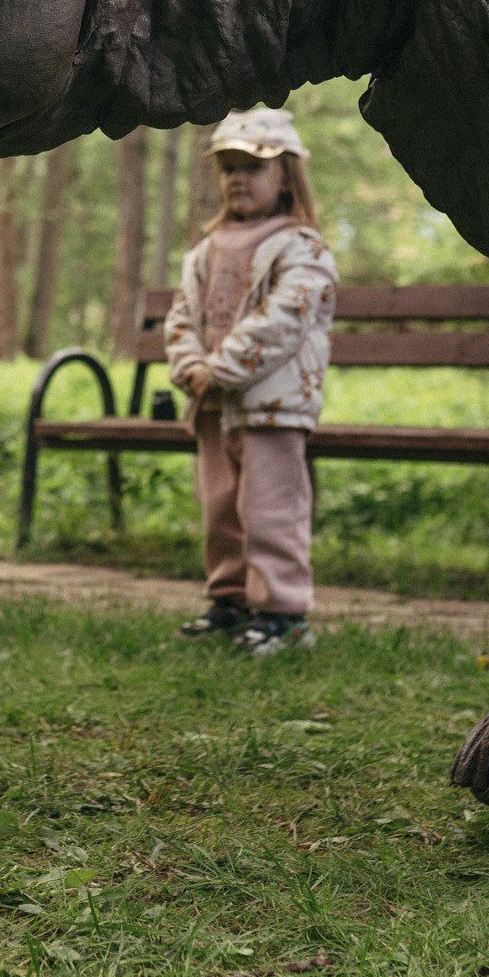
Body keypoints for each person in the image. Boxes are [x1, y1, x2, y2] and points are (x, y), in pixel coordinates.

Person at [164, 108, 339, 657]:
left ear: (286, 174)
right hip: (213, 405)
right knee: (220, 508)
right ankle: (230, 600)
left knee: (270, 510)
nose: (238, 178)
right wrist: (191, 366)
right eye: (229, 167)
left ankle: (284, 613)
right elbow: (180, 318)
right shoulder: (204, 251)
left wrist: (219, 369)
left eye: (254, 167)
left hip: (272, 405)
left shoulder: (303, 250)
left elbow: (283, 321)